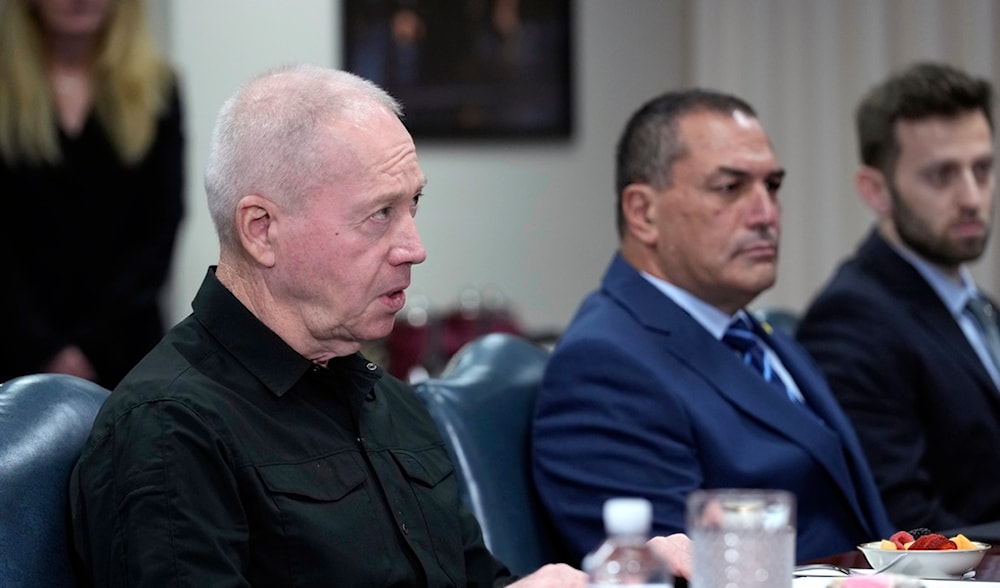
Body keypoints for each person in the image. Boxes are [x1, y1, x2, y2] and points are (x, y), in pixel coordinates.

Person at [69, 63, 692, 587]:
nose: (414, 247)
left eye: (412, 205)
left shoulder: (389, 402)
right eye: (379, 215)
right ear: (262, 230)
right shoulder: (169, 428)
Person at [531, 88, 894, 565]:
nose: (766, 214)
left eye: (773, 187)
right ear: (643, 213)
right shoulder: (603, 366)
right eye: (731, 188)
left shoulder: (753, 333)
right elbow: (677, 571)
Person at [796, 62, 1000, 531]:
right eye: (941, 175)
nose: (972, 196)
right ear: (876, 191)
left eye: (982, 169)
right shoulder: (849, 320)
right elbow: (908, 527)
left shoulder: (980, 308)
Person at [0, 0, 184, 389]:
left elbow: (160, 225)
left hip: (128, 353)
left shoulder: (158, 90)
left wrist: (93, 348)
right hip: (11, 350)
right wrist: (44, 347)